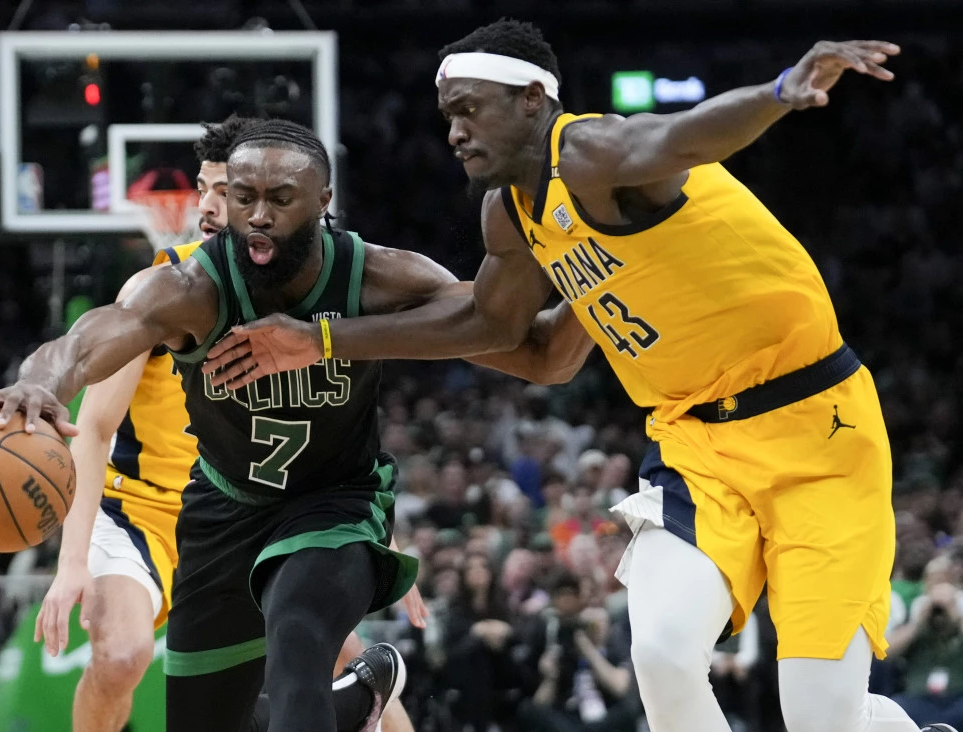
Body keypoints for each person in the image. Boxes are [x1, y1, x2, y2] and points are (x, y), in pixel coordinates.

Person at [201, 19, 956, 732]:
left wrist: (781, 90)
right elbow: (515, 340)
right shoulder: (510, 214)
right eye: (447, 115)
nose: (454, 131)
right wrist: (325, 339)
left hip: (816, 435)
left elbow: (683, 135)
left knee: (822, 716)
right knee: (662, 652)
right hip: (697, 448)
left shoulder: (588, 153)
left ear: (533, 100)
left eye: (470, 109)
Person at [0, 116, 502, 732]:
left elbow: (480, 321)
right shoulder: (184, 288)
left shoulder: (358, 276)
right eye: (232, 195)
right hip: (181, 509)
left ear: (320, 201)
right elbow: (87, 377)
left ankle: (357, 695)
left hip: (307, 504)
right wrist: (38, 388)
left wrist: (331, 342)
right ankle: (356, 699)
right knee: (153, 676)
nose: (244, 212)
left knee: (305, 642)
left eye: (271, 197)